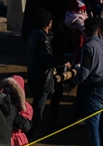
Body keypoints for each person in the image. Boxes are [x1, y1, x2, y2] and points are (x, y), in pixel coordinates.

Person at [66, 18, 103, 146]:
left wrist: (72, 83)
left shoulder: (88, 46)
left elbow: (85, 72)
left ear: (85, 31)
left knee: (92, 125)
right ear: (99, 31)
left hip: (96, 89)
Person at [26, 9, 70, 138]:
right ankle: (30, 137)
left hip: (34, 76)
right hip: (43, 79)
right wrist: (63, 62)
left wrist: (56, 32)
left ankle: (51, 122)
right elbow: (47, 59)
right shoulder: (42, 38)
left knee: (54, 94)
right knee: (38, 110)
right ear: (49, 23)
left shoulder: (34, 34)